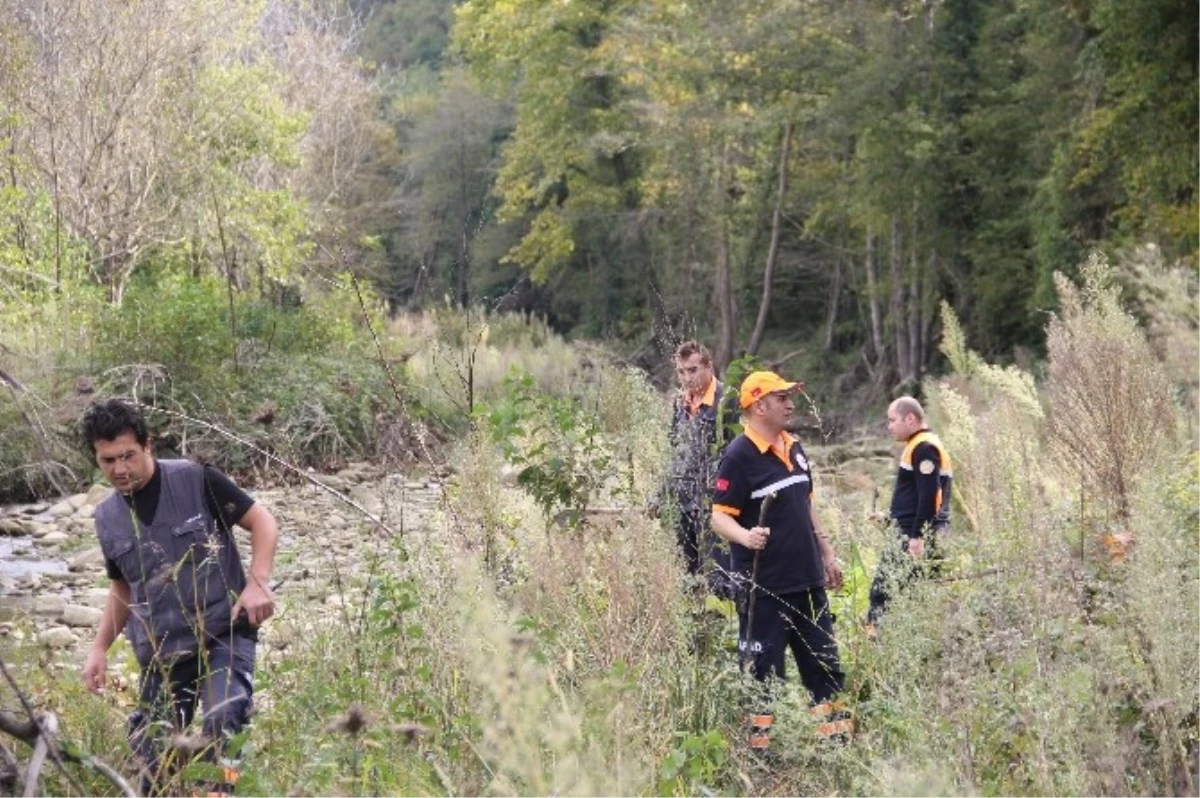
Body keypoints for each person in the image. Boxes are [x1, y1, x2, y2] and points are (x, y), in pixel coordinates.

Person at [80, 399, 279, 796]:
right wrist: (100, 647)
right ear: (96, 459)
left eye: (128, 456)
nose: (120, 469)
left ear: (147, 445)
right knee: (154, 755)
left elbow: (262, 521)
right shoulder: (107, 519)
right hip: (163, 651)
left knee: (226, 719)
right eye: (107, 460)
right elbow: (123, 588)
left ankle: (224, 791)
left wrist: (258, 581)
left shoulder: (196, 478)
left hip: (226, 631)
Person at [710, 371, 849, 749]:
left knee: (825, 668)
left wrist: (828, 552)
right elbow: (719, 515)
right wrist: (745, 536)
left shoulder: (795, 446)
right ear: (759, 406)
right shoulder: (738, 456)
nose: (791, 404)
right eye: (782, 397)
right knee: (762, 677)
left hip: (808, 583)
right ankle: (758, 760)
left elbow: (805, 505)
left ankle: (836, 752)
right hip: (764, 589)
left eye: (791, 396)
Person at [659, 340, 738, 595]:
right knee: (688, 577)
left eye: (692, 370)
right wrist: (661, 495)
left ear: (709, 367)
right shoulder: (680, 404)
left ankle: (730, 626)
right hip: (683, 502)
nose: (686, 378)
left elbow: (737, 452)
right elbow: (675, 452)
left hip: (715, 503)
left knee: (720, 577)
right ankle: (698, 629)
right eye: (681, 372)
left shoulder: (728, 400)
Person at [867, 395, 953, 625]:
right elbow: (917, 497)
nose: (889, 426)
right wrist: (889, 519)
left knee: (882, 593)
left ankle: (878, 649)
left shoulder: (924, 448)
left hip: (913, 538)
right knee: (913, 597)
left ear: (910, 418)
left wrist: (916, 536)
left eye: (892, 420)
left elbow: (929, 497)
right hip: (912, 532)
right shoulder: (920, 445)